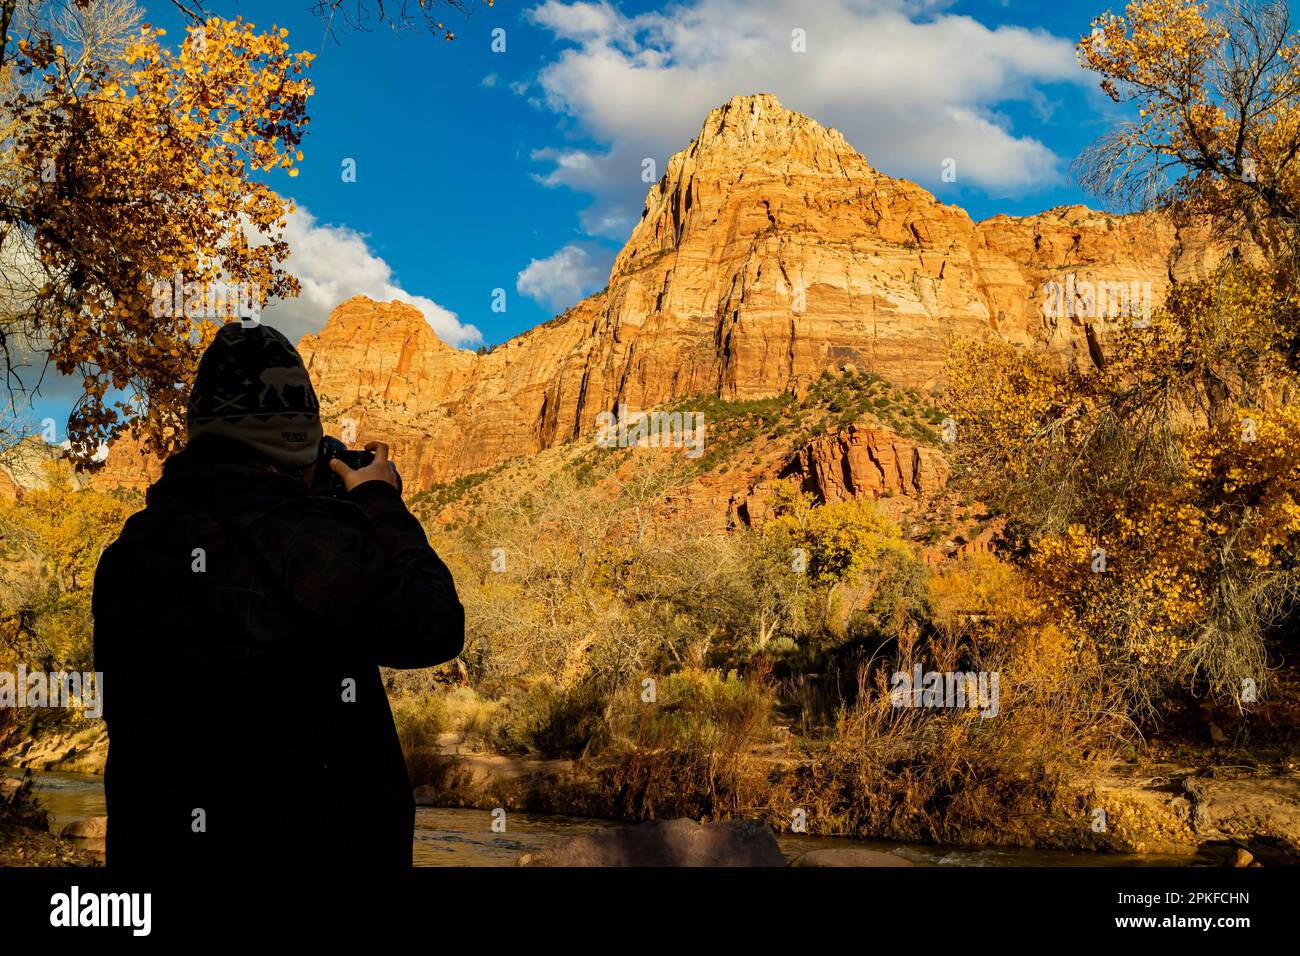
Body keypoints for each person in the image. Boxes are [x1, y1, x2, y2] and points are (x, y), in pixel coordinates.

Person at [93, 322, 463, 868]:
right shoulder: (302, 541)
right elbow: (435, 624)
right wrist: (380, 502)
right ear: (297, 439)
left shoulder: (129, 551)